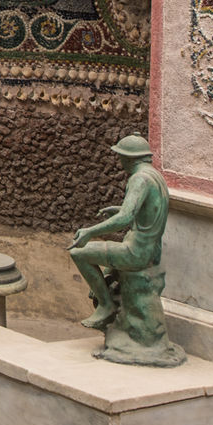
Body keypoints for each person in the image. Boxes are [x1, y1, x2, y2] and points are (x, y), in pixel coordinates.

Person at [69, 135, 169, 331]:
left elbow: (125, 219)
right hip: (149, 250)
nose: (119, 162)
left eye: (121, 157)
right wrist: (120, 208)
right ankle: (108, 290)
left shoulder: (139, 179)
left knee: (78, 253)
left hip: (136, 253)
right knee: (106, 265)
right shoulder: (155, 176)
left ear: (129, 158)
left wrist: (90, 231)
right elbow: (146, 210)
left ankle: (106, 305)